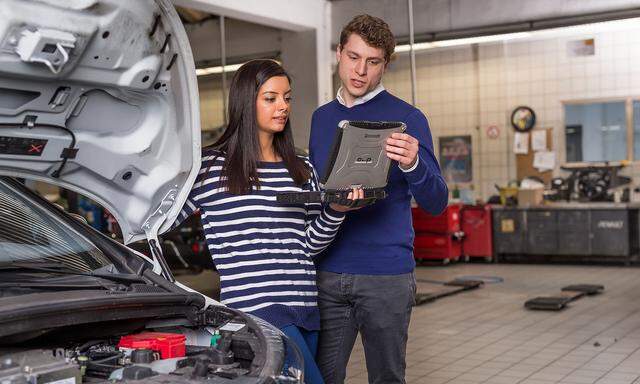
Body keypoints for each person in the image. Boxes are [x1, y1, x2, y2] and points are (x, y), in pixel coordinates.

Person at [175, 59, 363, 384]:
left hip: (304, 306)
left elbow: (308, 245)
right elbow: (160, 220)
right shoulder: (209, 167)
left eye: (287, 98)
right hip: (255, 309)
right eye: (271, 98)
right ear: (246, 102)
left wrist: (336, 211)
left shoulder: (300, 167)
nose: (282, 107)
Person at [308, 15, 449, 384]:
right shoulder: (321, 119)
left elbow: (437, 202)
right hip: (327, 273)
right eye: (353, 57)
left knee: (386, 378)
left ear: (385, 64)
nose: (360, 71)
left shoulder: (408, 119)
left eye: (372, 62)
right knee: (320, 377)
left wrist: (414, 163)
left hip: (386, 276)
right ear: (339, 53)